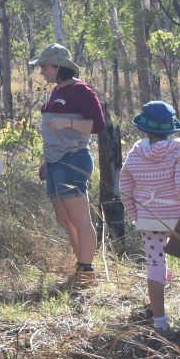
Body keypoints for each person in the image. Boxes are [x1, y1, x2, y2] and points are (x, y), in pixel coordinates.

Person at [117, 101, 180, 335]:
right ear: (171, 127)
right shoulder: (178, 150)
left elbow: (124, 190)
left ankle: (160, 324)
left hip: (149, 219)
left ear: (145, 128)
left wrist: (138, 216)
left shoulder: (135, 153)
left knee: (155, 266)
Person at [32, 44, 106, 291]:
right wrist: (46, 161)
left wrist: (68, 122)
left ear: (58, 66)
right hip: (55, 162)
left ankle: (86, 271)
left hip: (73, 159)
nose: (42, 71)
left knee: (80, 219)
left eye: (45, 66)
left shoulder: (81, 90)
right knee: (65, 219)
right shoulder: (56, 91)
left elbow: (97, 125)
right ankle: (80, 267)